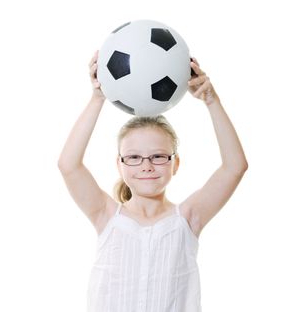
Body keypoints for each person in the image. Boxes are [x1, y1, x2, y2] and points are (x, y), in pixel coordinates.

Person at [58, 50, 248, 312]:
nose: (146, 166)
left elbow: (234, 167)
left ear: (175, 164)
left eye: (158, 156)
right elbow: (68, 166)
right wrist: (97, 99)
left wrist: (211, 100)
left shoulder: (188, 217)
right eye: (134, 157)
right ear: (119, 165)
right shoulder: (106, 215)